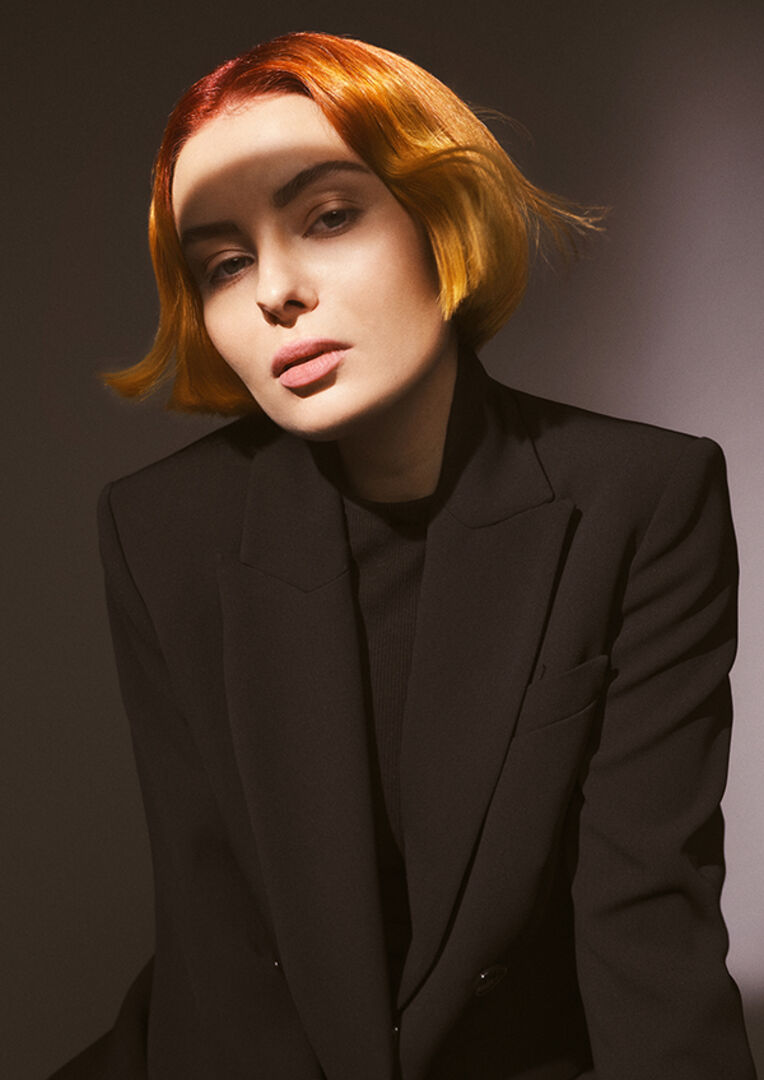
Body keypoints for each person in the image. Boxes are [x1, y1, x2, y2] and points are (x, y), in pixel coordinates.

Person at [50, 30, 756, 1080]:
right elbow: (221, 954)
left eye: (328, 216)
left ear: (440, 216)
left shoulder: (641, 498)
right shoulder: (163, 528)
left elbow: (648, 929)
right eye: (225, 263)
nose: (275, 290)